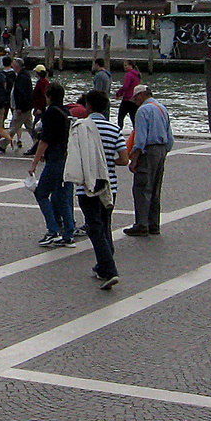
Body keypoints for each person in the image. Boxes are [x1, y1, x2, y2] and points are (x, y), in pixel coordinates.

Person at [67, 89, 126, 290]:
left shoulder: (80, 127)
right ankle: (103, 265)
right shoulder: (113, 129)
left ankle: (109, 269)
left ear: (88, 106)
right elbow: (124, 160)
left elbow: (74, 156)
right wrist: (109, 161)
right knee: (105, 224)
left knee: (95, 228)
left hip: (87, 186)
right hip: (110, 186)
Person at [28, 83, 76, 248]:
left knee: (41, 193)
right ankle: (69, 232)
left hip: (55, 158)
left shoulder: (49, 114)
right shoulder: (66, 112)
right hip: (66, 157)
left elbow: (44, 140)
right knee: (62, 195)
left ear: (48, 97)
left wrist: (34, 162)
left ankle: (52, 230)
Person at [124, 85, 173, 237]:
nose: (135, 101)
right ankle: (153, 224)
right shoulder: (162, 108)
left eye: (136, 97)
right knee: (155, 188)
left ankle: (142, 224)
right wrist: (164, 151)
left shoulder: (143, 111)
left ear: (143, 95)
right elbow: (169, 136)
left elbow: (140, 139)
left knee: (142, 187)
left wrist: (134, 159)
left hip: (148, 151)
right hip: (161, 150)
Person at [5, 56, 34, 151]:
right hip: (27, 106)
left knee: (14, 125)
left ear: (17, 67)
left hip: (22, 107)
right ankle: (37, 141)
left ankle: (3, 142)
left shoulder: (21, 77)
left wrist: (19, 107)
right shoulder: (24, 76)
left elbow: (21, 93)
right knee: (29, 126)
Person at [116, 60, 141, 128]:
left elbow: (126, 86)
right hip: (134, 98)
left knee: (121, 116)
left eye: (126, 65)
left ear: (131, 66)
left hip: (127, 98)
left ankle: (119, 130)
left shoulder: (129, 74)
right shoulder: (137, 74)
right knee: (133, 117)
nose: (124, 67)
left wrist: (119, 93)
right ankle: (136, 132)